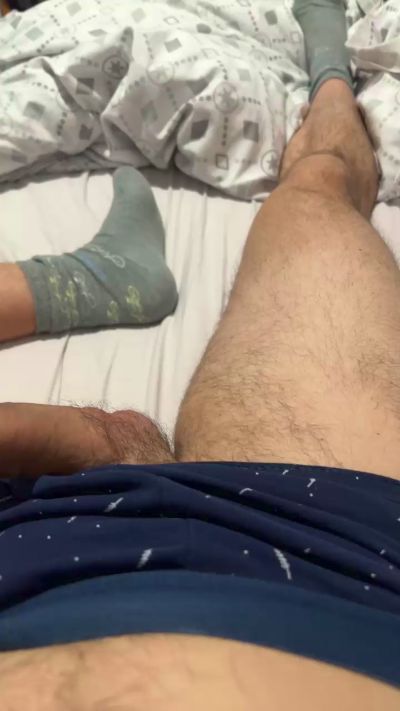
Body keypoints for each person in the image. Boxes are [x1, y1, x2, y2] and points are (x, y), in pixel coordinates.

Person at [0, 0, 399, 708]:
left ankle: (331, 79)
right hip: (338, 551)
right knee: (316, 187)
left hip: (40, 547)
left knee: (312, 193)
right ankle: (331, 79)